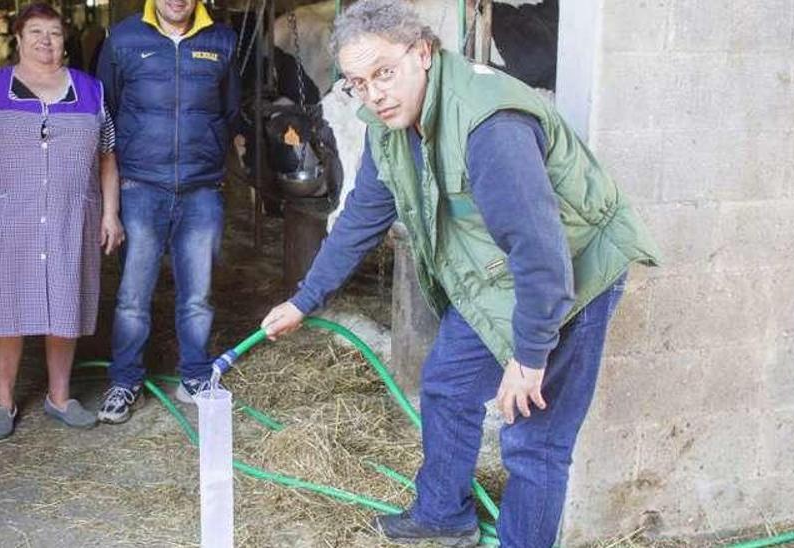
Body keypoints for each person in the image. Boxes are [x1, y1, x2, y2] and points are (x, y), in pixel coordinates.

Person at [259, 1, 660, 546]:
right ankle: (444, 515)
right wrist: (305, 300)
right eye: (358, 82)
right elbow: (360, 218)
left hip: (571, 276)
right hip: (495, 274)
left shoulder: (489, 125)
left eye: (384, 73)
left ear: (422, 53)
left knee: (534, 441)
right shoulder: (389, 127)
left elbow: (541, 252)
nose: (374, 94)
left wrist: (530, 355)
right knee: (447, 384)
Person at [0, 2, 125, 440]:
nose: (46, 42)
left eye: (54, 33)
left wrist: (110, 213)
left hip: (72, 216)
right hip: (7, 217)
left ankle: (60, 396)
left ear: (64, 39)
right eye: (36, 33)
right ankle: (4, 400)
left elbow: (108, 157)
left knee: (64, 302)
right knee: (6, 306)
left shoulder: (91, 91)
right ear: (18, 38)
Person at [93, 0, 240, 424]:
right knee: (132, 295)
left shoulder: (222, 41)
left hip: (201, 188)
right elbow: (107, 113)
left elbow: (229, 111)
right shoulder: (123, 39)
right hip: (140, 185)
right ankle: (125, 380)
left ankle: (194, 376)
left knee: (198, 294)